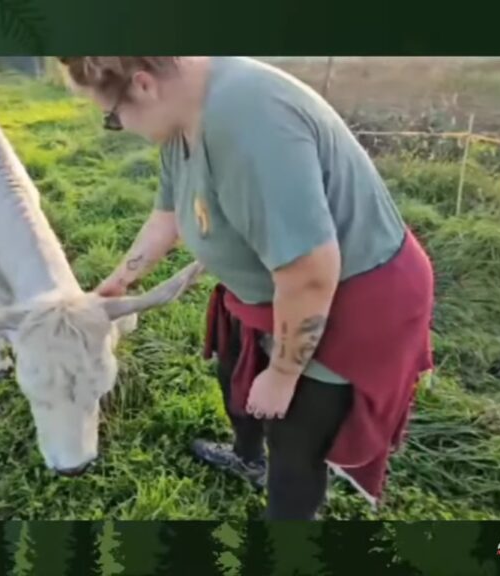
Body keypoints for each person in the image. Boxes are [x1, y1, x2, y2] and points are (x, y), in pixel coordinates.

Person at [57, 57, 434, 519]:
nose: (118, 126)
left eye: (112, 117)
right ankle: (247, 456)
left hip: (347, 302)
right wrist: (119, 279)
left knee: (294, 439)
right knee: (233, 374)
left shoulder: (247, 123)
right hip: (270, 291)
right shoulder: (183, 116)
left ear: (144, 85)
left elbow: (310, 272)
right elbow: (169, 215)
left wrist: (282, 374)